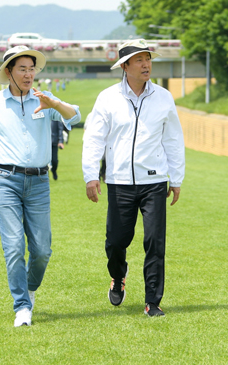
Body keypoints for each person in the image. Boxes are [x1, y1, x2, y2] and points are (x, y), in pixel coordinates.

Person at [0, 45, 80, 327]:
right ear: (8, 72)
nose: (28, 74)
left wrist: (54, 104)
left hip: (39, 182)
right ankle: (22, 306)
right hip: (5, 181)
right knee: (12, 247)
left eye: (32, 69)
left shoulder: (43, 99)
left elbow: (75, 117)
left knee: (42, 249)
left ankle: (30, 288)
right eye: (22, 69)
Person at [83, 39, 185, 317]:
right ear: (125, 66)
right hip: (118, 183)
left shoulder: (164, 97)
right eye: (139, 60)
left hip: (154, 182)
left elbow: (173, 139)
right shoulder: (108, 98)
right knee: (116, 241)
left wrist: (175, 178)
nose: (146, 64)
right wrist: (91, 174)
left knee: (155, 242)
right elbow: (94, 137)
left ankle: (153, 301)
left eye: (148, 59)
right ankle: (118, 275)